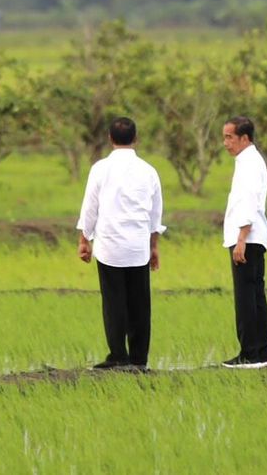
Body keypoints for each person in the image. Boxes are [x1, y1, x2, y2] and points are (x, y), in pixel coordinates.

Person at [76, 117, 165, 371]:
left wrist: (85, 240)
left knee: (114, 301)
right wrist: (154, 247)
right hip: (138, 247)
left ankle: (117, 355)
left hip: (109, 247)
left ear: (110, 139)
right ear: (136, 140)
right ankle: (139, 358)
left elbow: (90, 207)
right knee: (140, 303)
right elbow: (155, 214)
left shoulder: (100, 169)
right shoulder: (149, 171)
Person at [221, 116, 267, 369]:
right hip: (251, 235)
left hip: (248, 237)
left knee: (246, 296)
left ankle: (250, 354)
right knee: (255, 294)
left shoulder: (250, 163)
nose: (225, 143)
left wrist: (241, 238)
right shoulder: (247, 161)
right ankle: (262, 352)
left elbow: (250, 201)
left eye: (230, 137)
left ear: (244, 138)